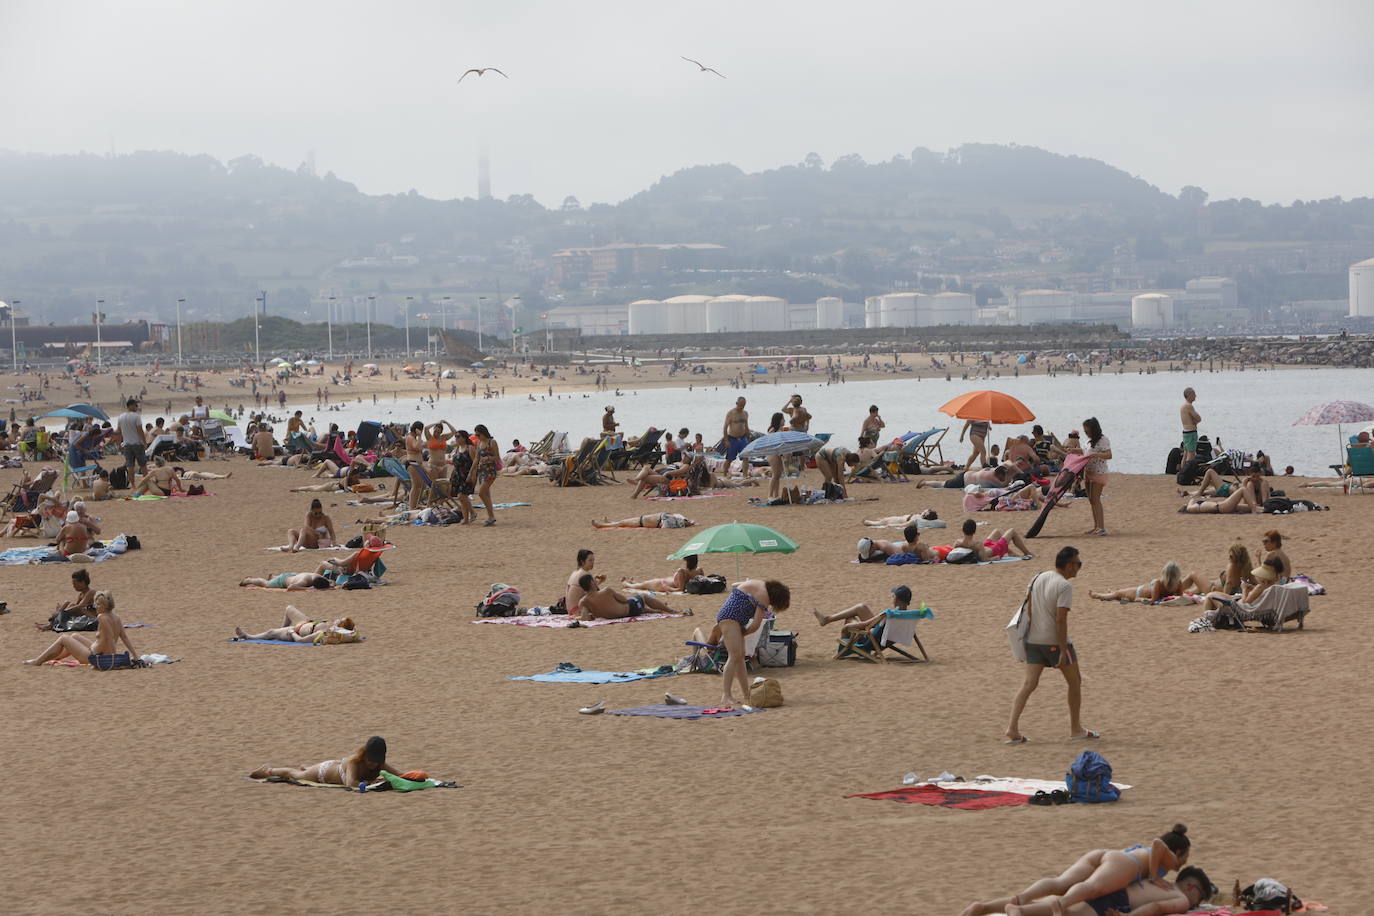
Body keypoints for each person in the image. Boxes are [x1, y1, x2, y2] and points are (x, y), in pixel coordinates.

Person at [960, 841, 1207, 916]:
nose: (1196, 903)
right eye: (1199, 897)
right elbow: (1155, 907)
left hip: (1106, 855)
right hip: (1117, 883)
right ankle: (1023, 912)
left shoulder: (1157, 873)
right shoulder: (1178, 895)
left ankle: (994, 905)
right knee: (1069, 905)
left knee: (1059, 884)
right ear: (1192, 887)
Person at [1005, 546, 1098, 743]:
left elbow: (1029, 609)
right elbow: (1060, 620)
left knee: (1029, 684)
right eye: (1078, 564)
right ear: (1069, 565)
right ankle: (1076, 728)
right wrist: (1063, 650)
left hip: (1033, 640)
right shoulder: (1064, 586)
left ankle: (1012, 728)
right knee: (1075, 681)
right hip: (1053, 642)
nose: (1079, 568)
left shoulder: (1038, 577)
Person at [712, 579, 789, 706]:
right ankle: (726, 695)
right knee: (734, 656)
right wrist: (744, 633)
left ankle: (746, 694)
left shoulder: (759, 584)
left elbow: (735, 585)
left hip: (733, 618)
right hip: (730, 618)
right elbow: (755, 625)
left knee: (740, 657)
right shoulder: (764, 596)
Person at [24, 590, 139, 667]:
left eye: (98, 604)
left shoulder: (102, 617)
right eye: (96, 604)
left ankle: (37, 661)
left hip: (94, 656)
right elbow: (124, 637)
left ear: (105, 605)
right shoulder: (116, 617)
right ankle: (51, 658)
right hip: (98, 652)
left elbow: (109, 639)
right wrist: (135, 655)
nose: (95, 607)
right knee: (74, 636)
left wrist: (112, 660)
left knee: (63, 638)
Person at [249, 736, 403, 787]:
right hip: (324, 772)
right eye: (371, 760)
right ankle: (268, 770)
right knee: (296, 775)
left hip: (335, 766)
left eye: (376, 761)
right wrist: (372, 783)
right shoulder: (354, 762)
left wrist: (417, 778)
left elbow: (400, 774)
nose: (373, 764)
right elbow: (351, 783)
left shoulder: (380, 763)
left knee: (305, 771)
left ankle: (308, 767)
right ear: (365, 754)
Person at [813, 584, 920, 634]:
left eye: (893, 596)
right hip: (885, 634)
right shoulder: (909, 615)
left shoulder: (890, 613)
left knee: (849, 620)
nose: (892, 598)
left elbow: (864, 625)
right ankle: (827, 619)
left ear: (897, 599)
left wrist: (849, 626)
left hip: (874, 635)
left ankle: (827, 620)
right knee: (861, 607)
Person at [1090, 561, 1209, 602]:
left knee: (1118, 594)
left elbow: (1155, 600)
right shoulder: (1172, 583)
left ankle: (1102, 594)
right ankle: (1103, 594)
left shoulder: (1165, 583)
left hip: (1141, 591)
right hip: (1141, 590)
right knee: (1118, 594)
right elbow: (1179, 596)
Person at [574, 575, 681, 620]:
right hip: (630, 610)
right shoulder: (607, 591)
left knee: (641, 605)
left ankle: (655, 610)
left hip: (619, 614)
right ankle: (670, 610)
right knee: (643, 596)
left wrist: (593, 615)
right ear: (592, 583)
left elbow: (584, 618)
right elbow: (624, 600)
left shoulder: (583, 601)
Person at [1071, 417, 1112, 536]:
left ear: (1094, 429)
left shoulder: (1103, 439)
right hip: (1088, 472)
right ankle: (1096, 526)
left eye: (1087, 431)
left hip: (1099, 472)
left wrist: (1096, 454)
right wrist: (1072, 450)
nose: (1086, 434)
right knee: (1091, 500)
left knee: (1096, 499)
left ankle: (1102, 527)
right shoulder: (1088, 442)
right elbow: (1084, 452)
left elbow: (1109, 455)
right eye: (1085, 432)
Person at [235, 606, 356, 642]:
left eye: (339, 620)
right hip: (307, 622)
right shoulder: (329, 626)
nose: (337, 619)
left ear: (340, 626)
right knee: (289, 609)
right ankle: (280, 630)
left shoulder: (323, 633)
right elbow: (355, 635)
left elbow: (300, 641)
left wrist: (292, 632)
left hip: (296, 631)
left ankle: (248, 636)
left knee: (270, 632)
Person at [1201, 557, 1281, 612]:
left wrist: (1244, 589)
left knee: (1210, 596)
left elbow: (1245, 603)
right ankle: (1213, 619)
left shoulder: (1260, 587)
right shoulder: (1274, 587)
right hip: (1255, 607)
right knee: (1216, 596)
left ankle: (1207, 621)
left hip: (1239, 608)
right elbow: (1259, 595)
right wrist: (1252, 587)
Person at [952, 518, 1031, 560]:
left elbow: (953, 554)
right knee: (1012, 531)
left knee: (996, 532)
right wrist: (996, 558)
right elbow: (984, 560)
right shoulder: (977, 544)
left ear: (963, 530)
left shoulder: (957, 543)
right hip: (995, 550)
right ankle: (1027, 553)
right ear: (974, 531)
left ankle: (1010, 552)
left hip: (985, 548)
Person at [857, 524, 940, 562]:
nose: (870, 553)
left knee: (931, 551)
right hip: (900, 545)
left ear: (872, 548)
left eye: (869, 552)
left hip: (902, 548)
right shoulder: (878, 545)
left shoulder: (884, 547)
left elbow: (898, 556)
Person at [470, 424, 500, 526]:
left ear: (484, 433)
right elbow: (476, 459)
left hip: (490, 470)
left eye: (478, 435)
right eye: (476, 435)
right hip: (481, 470)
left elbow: (497, 457)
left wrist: (488, 458)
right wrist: (471, 472)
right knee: (486, 494)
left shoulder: (492, 442)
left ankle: (491, 516)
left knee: (481, 493)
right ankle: (491, 517)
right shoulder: (479, 443)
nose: (477, 437)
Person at [622, 554, 702, 592]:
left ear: (686, 560)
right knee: (645, 584)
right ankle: (634, 583)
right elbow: (702, 582)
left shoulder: (682, 571)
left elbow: (680, 589)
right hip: (668, 581)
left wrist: (667, 588)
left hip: (664, 584)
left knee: (644, 585)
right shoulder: (700, 570)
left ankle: (627, 585)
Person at [115, 398, 148, 477]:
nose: (137, 407)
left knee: (130, 466)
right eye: (136, 406)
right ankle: (146, 482)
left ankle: (133, 485)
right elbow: (140, 430)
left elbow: (119, 433)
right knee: (143, 464)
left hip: (127, 444)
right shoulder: (136, 416)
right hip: (137, 444)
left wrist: (119, 444)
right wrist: (144, 443)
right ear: (131, 406)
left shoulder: (121, 417)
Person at [722, 396, 750, 476]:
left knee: (746, 457)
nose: (741, 407)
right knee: (729, 459)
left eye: (743, 405)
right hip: (732, 438)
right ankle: (725, 473)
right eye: (740, 405)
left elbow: (746, 427)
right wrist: (726, 440)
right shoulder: (731, 413)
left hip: (743, 438)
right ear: (737, 403)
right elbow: (725, 427)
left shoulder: (745, 413)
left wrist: (748, 438)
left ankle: (745, 475)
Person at [591, 512, 694, 529]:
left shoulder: (674, 523)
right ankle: (609, 522)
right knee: (622, 522)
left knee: (622, 523)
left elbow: (664, 527)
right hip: (643, 518)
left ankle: (601, 525)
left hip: (641, 522)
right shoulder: (678, 518)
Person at [239, 572, 333, 590]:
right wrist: (307, 589)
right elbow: (290, 587)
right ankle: (249, 580)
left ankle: (273, 576)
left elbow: (329, 582)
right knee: (265, 584)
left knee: (274, 580)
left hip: (293, 575)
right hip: (283, 581)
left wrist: (331, 586)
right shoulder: (305, 582)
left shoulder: (318, 576)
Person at [1180, 387, 1201, 466]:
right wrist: (1195, 421)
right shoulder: (1188, 406)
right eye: (1194, 394)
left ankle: (1182, 472)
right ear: (1189, 395)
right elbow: (1198, 418)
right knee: (1191, 454)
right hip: (1191, 432)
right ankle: (1187, 472)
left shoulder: (1183, 407)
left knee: (1185, 454)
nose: (1195, 396)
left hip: (1185, 432)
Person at [861, 508, 939, 528]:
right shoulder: (918, 517)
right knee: (884, 520)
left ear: (926, 514)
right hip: (900, 518)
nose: (926, 509)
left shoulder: (916, 520)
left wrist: (892, 526)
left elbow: (904, 525)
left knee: (883, 521)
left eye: (928, 510)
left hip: (899, 521)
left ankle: (870, 523)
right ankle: (874, 522)